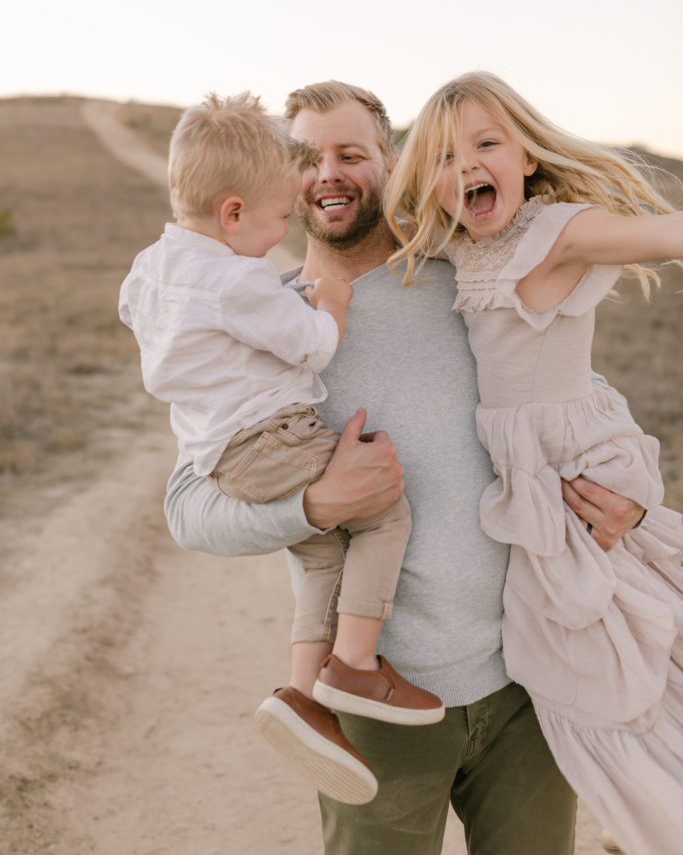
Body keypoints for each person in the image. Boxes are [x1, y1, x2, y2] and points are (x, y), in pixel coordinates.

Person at [163, 79, 644, 855]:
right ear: (278, 180)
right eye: (304, 158)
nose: (326, 173)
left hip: (529, 676)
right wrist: (313, 507)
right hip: (374, 705)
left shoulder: (469, 277)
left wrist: (628, 500)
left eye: (350, 154)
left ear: (390, 162)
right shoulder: (260, 326)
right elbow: (187, 506)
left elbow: (574, 394)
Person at [385, 70, 683, 855]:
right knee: (610, 636)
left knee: (616, 642)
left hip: (571, 466)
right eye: (445, 157)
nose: (466, 166)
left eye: (486, 145)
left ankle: (651, 813)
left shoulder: (558, 231)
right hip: (524, 473)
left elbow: (665, 234)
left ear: (525, 157)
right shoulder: (456, 242)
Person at [119, 91, 443, 809]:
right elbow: (312, 348)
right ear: (234, 212)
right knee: (383, 515)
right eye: (274, 219)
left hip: (221, 450)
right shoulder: (246, 285)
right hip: (268, 437)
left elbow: (137, 312)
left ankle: (305, 695)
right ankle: (355, 662)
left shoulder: (152, 267)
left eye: (350, 155)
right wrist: (325, 302)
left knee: (322, 547)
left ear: (388, 164)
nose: (280, 234)